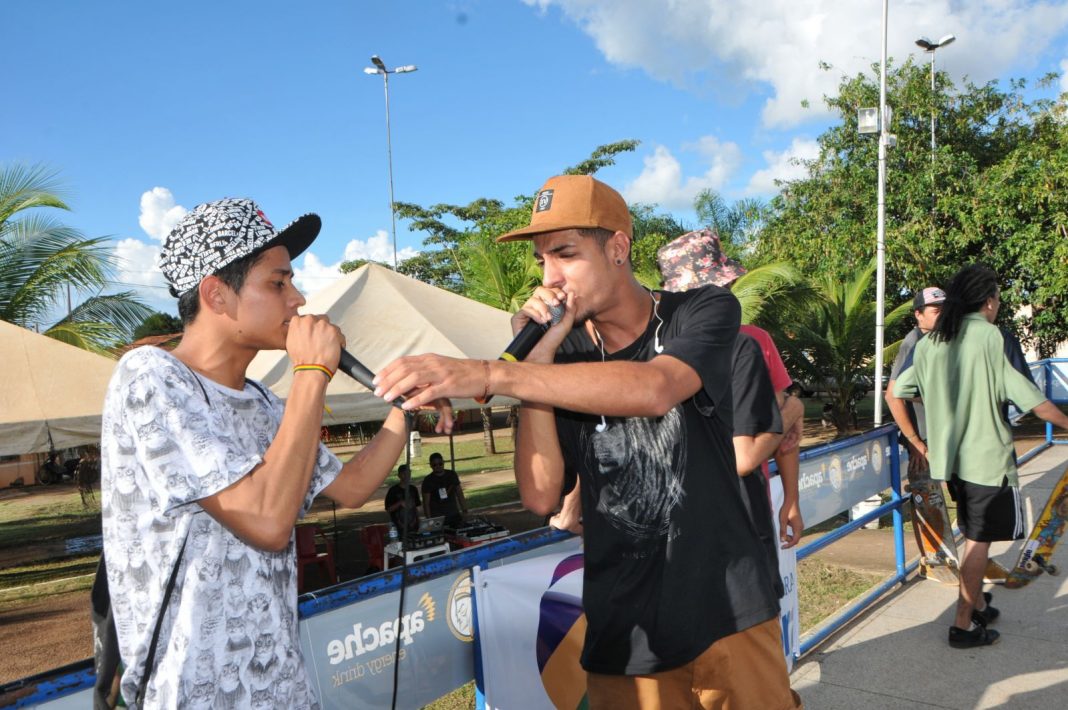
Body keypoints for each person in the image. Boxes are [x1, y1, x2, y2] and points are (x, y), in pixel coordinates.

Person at [375, 175, 800, 709]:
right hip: (625, 631)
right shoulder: (561, 357)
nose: (549, 277)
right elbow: (540, 495)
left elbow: (656, 389)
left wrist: (489, 373)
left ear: (617, 248)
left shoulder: (701, 311)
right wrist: (537, 364)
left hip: (729, 610)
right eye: (541, 260)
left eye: (566, 254)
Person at [100, 198, 449, 708]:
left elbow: (351, 488)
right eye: (278, 283)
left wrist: (403, 410)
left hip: (279, 686)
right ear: (216, 295)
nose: (298, 299)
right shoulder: (151, 377)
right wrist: (312, 372)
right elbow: (266, 522)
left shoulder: (262, 402)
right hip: (193, 693)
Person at [892, 264, 1068, 649]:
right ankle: (963, 625)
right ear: (988, 301)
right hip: (986, 462)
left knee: (974, 533)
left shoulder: (932, 342)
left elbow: (897, 392)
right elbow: (1033, 401)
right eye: (998, 300)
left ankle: (977, 605)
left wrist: (924, 430)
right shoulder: (991, 337)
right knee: (978, 542)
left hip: (950, 462)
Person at [658, 228, 805, 548]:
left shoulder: (652, 352)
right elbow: (776, 429)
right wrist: (795, 409)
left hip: (669, 519)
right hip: (739, 513)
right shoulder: (752, 342)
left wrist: (791, 498)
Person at [885, 287, 945, 476]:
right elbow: (892, 396)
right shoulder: (913, 343)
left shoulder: (939, 339)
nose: (943, 316)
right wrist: (914, 441)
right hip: (924, 444)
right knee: (927, 492)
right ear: (918, 314)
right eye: (936, 311)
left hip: (942, 437)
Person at [421, 452, 467, 527]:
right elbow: (426, 503)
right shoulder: (428, 480)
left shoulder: (452, 474)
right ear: (430, 465)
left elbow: (459, 493)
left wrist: (464, 510)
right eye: (434, 465)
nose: (438, 466)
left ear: (443, 462)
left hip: (453, 514)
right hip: (437, 517)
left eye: (440, 464)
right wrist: (429, 520)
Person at [385, 464, 421, 535]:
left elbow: (416, 507)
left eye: (409, 473)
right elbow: (388, 509)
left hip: (414, 526)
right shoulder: (393, 490)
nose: (407, 476)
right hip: (399, 528)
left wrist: (418, 521)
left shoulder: (413, 489)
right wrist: (400, 503)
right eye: (404, 473)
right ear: (399, 475)